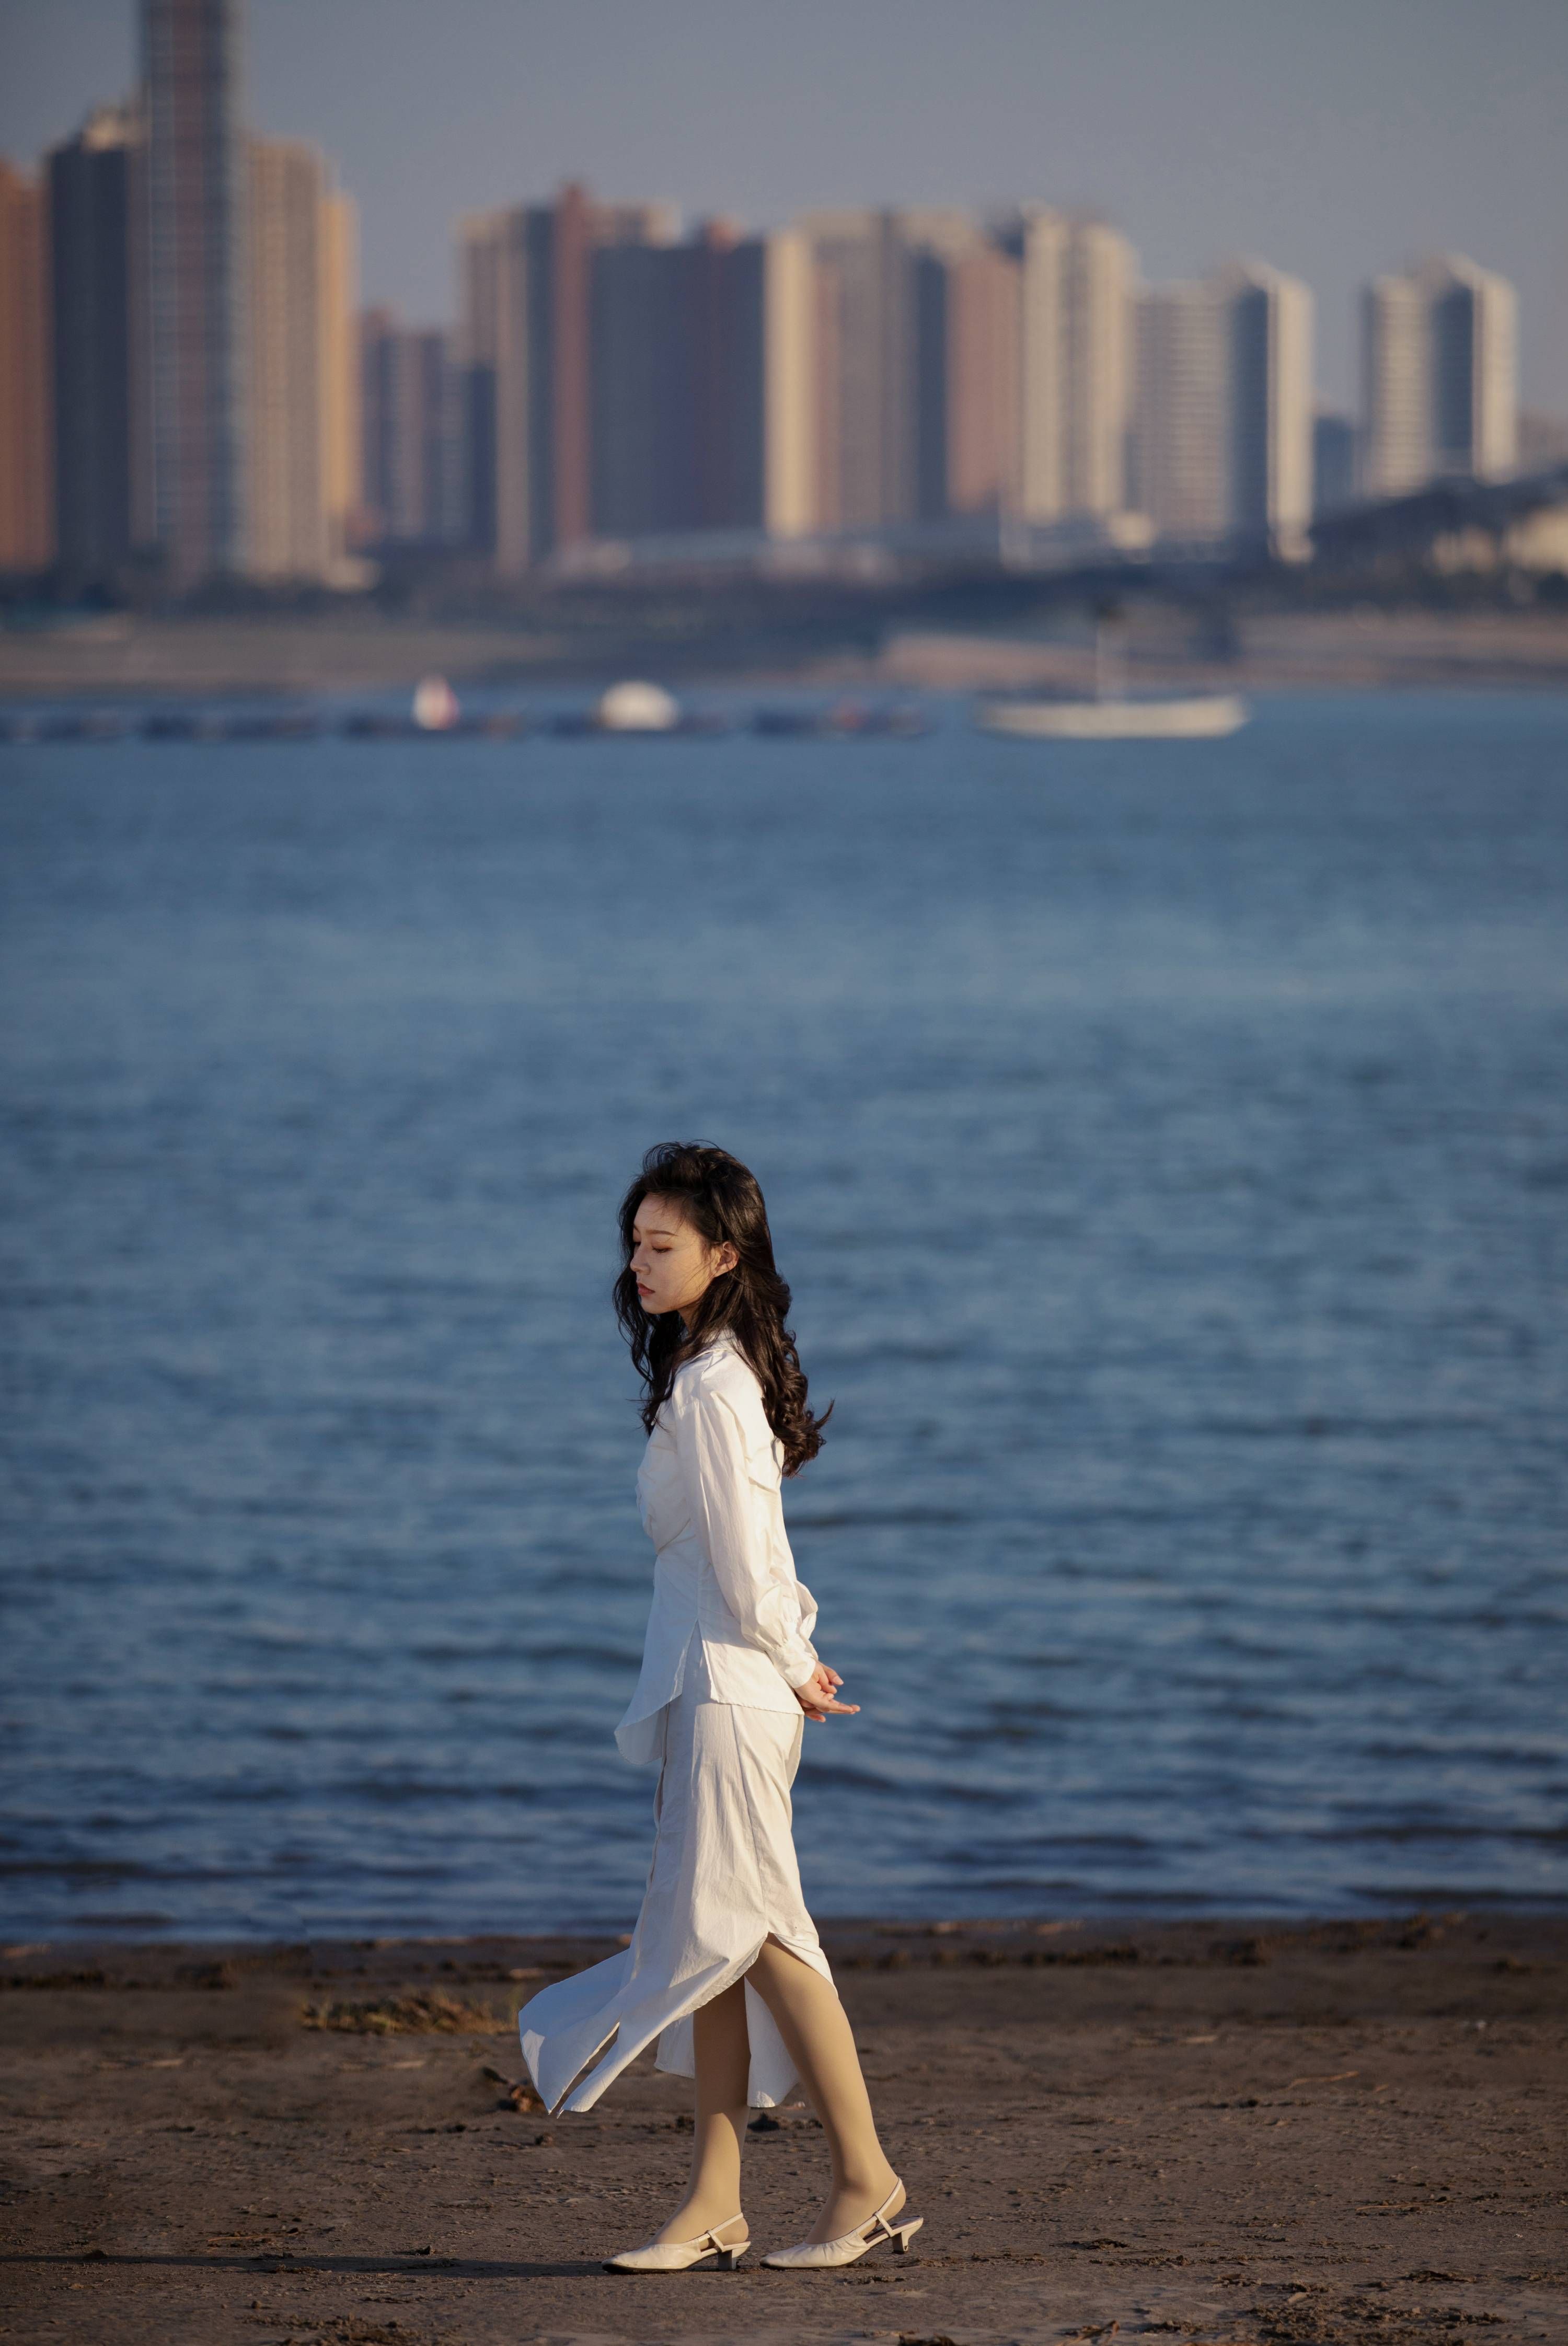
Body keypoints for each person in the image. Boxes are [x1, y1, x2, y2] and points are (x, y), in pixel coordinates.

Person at [515, 1141, 921, 2275]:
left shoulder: (713, 1386)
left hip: (733, 1694)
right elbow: (756, 1552)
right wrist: (796, 1652)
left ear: (724, 1256)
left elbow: (746, 1559)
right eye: (634, 1244)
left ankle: (867, 2181)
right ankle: (715, 2201)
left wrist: (793, 1658)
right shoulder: (715, 1373)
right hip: (721, 1689)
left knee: (767, 1938)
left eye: (663, 1245)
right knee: (720, 1944)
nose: (639, 1263)